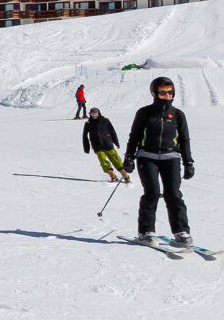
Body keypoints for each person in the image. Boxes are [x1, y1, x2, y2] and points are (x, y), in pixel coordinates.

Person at [123, 76, 194, 247]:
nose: (167, 95)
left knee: (174, 194)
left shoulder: (178, 115)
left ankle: (181, 232)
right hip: (147, 157)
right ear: (154, 93)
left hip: (171, 158)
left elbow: (184, 140)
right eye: (163, 92)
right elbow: (135, 135)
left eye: (170, 92)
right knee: (152, 192)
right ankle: (146, 232)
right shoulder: (144, 113)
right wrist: (129, 157)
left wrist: (188, 163)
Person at [82, 107, 129, 183]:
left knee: (115, 159)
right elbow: (84, 136)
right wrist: (86, 148)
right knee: (103, 161)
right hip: (97, 146)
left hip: (108, 143)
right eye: (92, 114)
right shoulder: (88, 123)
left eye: (95, 113)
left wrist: (116, 142)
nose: (94, 115)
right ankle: (113, 175)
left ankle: (125, 175)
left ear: (98, 113)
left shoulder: (105, 121)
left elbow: (112, 131)